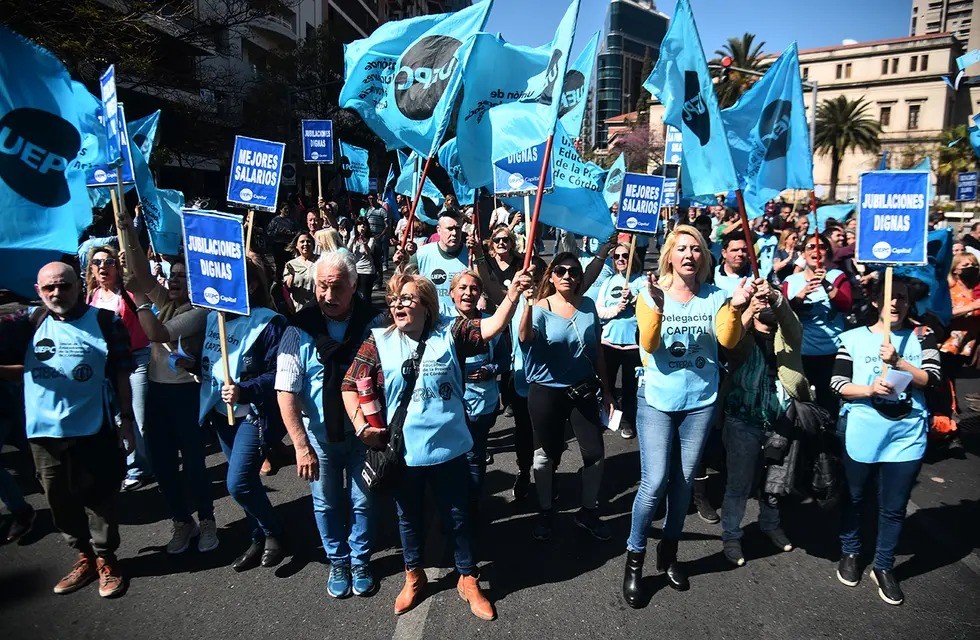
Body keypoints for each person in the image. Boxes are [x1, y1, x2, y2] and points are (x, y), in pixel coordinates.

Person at [342, 270, 531, 621]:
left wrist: (513, 295)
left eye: (407, 299)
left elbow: (489, 329)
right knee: (408, 519)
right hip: (403, 453)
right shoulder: (379, 340)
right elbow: (350, 383)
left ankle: (467, 578)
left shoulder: (451, 330)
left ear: (427, 305)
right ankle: (413, 575)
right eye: (394, 300)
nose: (398, 305)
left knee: (458, 517)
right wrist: (361, 428)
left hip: (450, 449)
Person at [622, 225, 751, 608]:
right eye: (681, 249)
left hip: (700, 402)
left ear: (704, 256)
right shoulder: (650, 293)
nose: (689, 255)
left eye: (696, 249)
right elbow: (647, 343)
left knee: (683, 484)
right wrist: (658, 308)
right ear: (669, 256)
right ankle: (635, 559)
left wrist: (738, 306)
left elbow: (728, 342)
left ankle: (670, 552)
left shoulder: (717, 296)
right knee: (656, 480)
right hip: (657, 399)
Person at [0, 263, 135, 598]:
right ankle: (84, 556)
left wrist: (127, 421)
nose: (57, 293)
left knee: (99, 497)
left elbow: (121, 374)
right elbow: (24, 369)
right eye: (49, 288)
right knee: (58, 499)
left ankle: (106, 559)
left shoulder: (105, 321)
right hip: (44, 433)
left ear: (78, 285)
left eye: (64, 286)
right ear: (38, 290)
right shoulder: (28, 322)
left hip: (93, 427)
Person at [276, 251, 383, 599]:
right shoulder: (299, 328)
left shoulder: (376, 322)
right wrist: (300, 446)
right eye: (321, 287)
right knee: (326, 503)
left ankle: (360, 559)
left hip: (364, 434)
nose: (327, 296)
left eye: (336, 287)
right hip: (319, 439)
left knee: (363, 500)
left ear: (354, 286)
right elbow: (285, 391)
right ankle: (338, 560)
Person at [830, 276, 941, 606]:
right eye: (890, 297)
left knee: (894, 506)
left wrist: (899, 362)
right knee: (855, 497)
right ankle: (850, 551)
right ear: (876, 301)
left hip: (906, 434)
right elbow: (838, 383)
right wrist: (868, 390)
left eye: (903, 298)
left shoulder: (923, 335)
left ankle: (884, 565)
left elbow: (931, 379)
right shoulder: (851, 338)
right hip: (863, 430)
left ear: (909, 303)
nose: (896, 304)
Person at [118, 211, 216, 555]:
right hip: (158, 394)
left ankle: (206, 520)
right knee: (162, 464)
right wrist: (128, 233)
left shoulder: (200, 312)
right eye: (173, 275)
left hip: (185, 396)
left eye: (183, 276)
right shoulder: (166, 302)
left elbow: (156, 332)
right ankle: (181, 521)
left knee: (192, 464)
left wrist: (140, 300)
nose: (174, 281)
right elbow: (141, 275)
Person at [519, 252, 618, 542]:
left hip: (582, 390)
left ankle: (587, 512)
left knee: (595, 454)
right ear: (550, 276)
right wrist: (527, 305)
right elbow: (525, 338)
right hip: (546, 392)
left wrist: (608, 391)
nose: (567, 276)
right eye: (560, 271)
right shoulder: (539, 308)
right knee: (546, 456)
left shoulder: (587, 306)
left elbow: (596, 349)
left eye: (573, 271)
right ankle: (546, 510)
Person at [199, 260, 289, 572]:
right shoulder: (214, 318)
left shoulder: (269, 323)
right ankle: (257, 535)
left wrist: (245, 390)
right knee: (247, 480)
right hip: (221, 416)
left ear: (250, 286)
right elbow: (212, 361)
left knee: (237, 483)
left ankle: (274, 531)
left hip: (253, 414)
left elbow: (281, 373)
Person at [719, 279, 810, 566]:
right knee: (739, 483)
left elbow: (791, 322)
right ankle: (731, 535)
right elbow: (728, 341)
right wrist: (747, 311)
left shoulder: (788, 334)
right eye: (762, 300)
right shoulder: (743, 334)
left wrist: (777, 297)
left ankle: (770, 525)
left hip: (781, 421)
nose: (767, 304)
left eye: (770, 299)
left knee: (774, 482)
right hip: (742, 420)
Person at [85, 245, 152, 491]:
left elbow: (144, 288)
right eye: (98, 262)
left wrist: (131, 267)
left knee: (140, 416)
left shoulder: (128, 293)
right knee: (118, 417)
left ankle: (142, 467)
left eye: (109, 262)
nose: (103, 266)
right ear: (91, 269)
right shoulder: (90, 299)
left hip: (138, 357)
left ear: (116, 266)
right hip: (110, 364)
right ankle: (134, 464)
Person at [448, 270, 510, 511]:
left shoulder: (491, 323)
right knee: (451, 458)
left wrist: (491, 369)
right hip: (449, 405)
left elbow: (506, 359)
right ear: (452, 293)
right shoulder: (441, 324)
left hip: (482, 405)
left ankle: (471, 507)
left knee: (474, 456)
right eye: (462, 288)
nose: (468, 293)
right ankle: (450, 507)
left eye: (474, 288)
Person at [781, 234, 853, 414]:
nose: (816, 251)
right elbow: (784, 312)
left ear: (827, 252)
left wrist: (827, 285)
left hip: (832, 352)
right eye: (810, 247)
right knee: (802, 405)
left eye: (821, 247)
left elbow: (846, 305)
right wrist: (802, 294)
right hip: (801, 352)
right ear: (803, 254)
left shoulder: (837, 276)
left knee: (829, 404)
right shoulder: (791, 281)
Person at [595, 242, 645, 440]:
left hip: (633, 344)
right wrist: (616, 309)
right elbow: (599, 310)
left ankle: (628, 422)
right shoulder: (608, 281)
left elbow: (650, 311)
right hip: (609, 342)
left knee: (630, 387)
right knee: (606, 384)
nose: (622, 259)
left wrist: (634, 300)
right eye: (617, 257)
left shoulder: (641, 282)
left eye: (625, 256)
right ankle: (608, 417)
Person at [394, 211, 470, 316]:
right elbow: (403, 284)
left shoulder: (471, 255)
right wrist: (400, 265)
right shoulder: (422, 255)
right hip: (429, 319)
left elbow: (485, 285)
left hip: (461, 320)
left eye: (457, 228)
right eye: (450, 229)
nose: (454, 233)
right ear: (438, 230)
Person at [283, 232, 318, 313]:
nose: (305, 244)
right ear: (296, 245)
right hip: (299, 310)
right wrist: (292, 275)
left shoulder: (320, 261)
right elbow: (287, 288)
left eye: (308, 241)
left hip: (319, 308)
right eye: (302, 242)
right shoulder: (291, 264)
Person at [347, 219, 377, 300]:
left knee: (365, 295)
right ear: (356, 227)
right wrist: (348, 238)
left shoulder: (371, 239)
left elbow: (369, 252)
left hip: (367, 270)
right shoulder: (353, 239)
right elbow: (347, 251)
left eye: (364, 225)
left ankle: (367, 311)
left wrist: (364, 243)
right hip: (356, 270)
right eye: (360, 225)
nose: (362, 227)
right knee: (354, 295)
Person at [361, 194, 390, 277]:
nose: (371, 200)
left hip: (377, 237)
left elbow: (387, 225)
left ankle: (379, 280)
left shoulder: (382, 210)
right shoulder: (368, 210)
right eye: (369, 198)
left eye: (372, 198)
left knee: (377, 259)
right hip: (369, 237)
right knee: (370, 258)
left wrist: (381, 235)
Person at [267, 203, 300, 272]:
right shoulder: (275, 220)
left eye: (288, 209)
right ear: (280, 210)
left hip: (288, 244)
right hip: (278, 245)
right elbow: (269, 232)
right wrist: (277, 232)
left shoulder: (292, 221)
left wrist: (290, 233)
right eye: (285, 209)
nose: (287, 210)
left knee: (290, 263)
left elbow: (298, 232)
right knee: (279, 264)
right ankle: (279, 280)